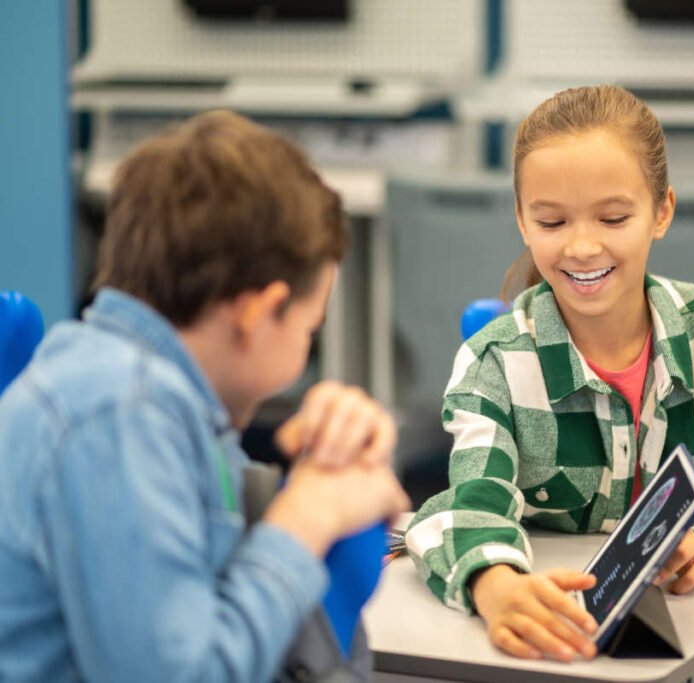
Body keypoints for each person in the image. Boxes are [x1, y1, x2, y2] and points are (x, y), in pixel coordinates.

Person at [405, 86, 694, 682]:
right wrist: (493, 584)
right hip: (565, 662)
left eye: (613, 218)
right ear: (521, 220)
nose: (582, 245)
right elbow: (472, 502)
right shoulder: (495, 363)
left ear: (662, 211)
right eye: (551, 221)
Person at [0, 110, 410, 682]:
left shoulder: (140, 390)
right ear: (259, 313)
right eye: (308, 331)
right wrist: (306, 517)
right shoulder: (121, 411)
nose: (303, 356)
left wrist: (324, 463)